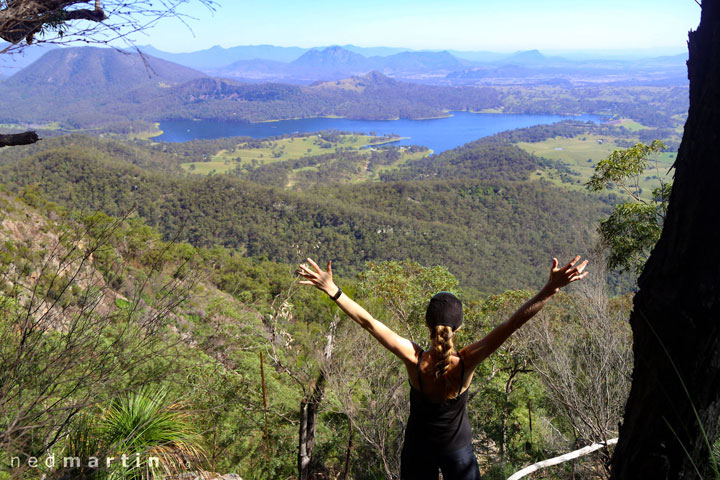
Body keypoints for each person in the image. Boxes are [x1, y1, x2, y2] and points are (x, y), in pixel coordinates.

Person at [296, 256, 589, 480]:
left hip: (417, 450)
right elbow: (513, 323)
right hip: (458, 453)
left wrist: (332, 289)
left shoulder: (414, 359)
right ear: (458, 327)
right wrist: (550, 288)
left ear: (427, 324)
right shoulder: (466, 361)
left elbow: (370, 323)